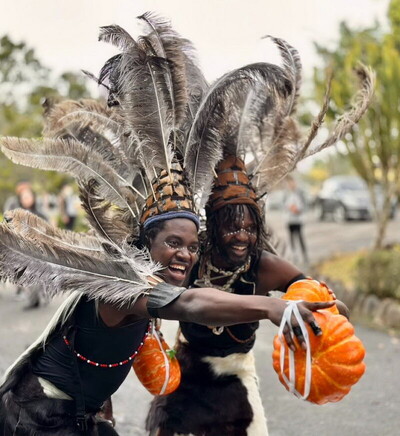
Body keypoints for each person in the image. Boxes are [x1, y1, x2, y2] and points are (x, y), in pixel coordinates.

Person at [0, 15, 334, 435]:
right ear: (145, 244)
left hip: (74, 415)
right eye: (173, 243)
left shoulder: (143, 282)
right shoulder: (128, 285)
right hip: (35, 420)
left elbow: (88, 354)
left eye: (192, 247)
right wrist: (272, 307)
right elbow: (190, 303)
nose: (185, 254)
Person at [146, 33, 373, 435]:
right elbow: (167, 296)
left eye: (250, 225)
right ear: (212, 227)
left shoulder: (264, 267)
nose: (241, 234)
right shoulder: (190, 261)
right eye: (231, 224)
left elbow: (308, 289)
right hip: (184, 381)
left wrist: (328, 313)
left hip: (238, 383)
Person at [3, 181, 47, 309]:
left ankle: (36, 297)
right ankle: (29, 294)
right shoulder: (14, 212)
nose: (26, 199)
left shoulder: (39, 213)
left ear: (33, 197)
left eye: (28, 196)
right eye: (24, 197)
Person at [284, 176, 309, 266]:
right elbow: (283, 205)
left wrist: (298, 209)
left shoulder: (300, 193)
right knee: (292, 240)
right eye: (289, 183)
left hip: (298, 220)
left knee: (300, 238)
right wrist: (289, 208)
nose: (291, 184)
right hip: (289, 220)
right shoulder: (286, 194)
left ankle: (304, 256)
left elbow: (305, 205)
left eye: (292, 182)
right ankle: (295, 257)